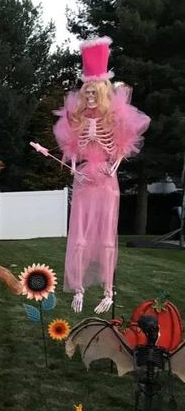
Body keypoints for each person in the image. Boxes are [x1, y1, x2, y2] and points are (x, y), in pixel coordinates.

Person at [53, 37, 150, 314]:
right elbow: (72, 146)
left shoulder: (115, 118)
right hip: (84, 177)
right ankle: (79, 289)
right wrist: (74, 169)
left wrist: (115, 166)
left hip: (106, 179)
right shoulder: (76, 118)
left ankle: (108, 291)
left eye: (96, 93)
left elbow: (121, 144)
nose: (91, 97)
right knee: (80, 234)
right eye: (88, 93)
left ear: (104, 92)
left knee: (108, 235)